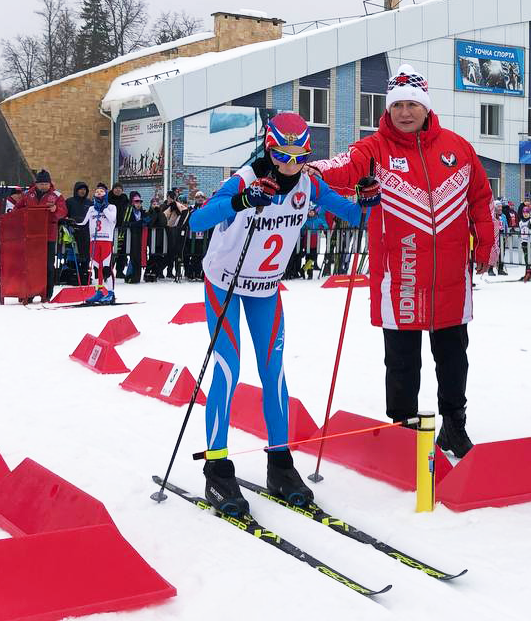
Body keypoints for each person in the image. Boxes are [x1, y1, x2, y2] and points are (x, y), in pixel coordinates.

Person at [189, 113, 377, 516]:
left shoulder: (309, 182)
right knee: (227, 368)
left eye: (299, 155)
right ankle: (217, 468)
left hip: (265, 288)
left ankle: (280, 463)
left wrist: (367, 201)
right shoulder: (245, 177)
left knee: (273, 371)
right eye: (282, 155)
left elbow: (353, 215)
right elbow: (197, 220)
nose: (291, 164)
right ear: (269, 150)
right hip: (224, 281)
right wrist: (242, 201)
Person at [313, 63, 497, 458]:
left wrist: (483, 245)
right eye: (398, 105)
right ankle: (404, 430)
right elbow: (344, 167)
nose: (405, 112)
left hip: (450, 277)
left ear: (426, 107)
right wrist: (311, 171)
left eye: (413, 104)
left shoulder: (458, 148)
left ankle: (454, 425)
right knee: (401, 362)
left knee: (453, 358)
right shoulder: (374, 148)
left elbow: (480, 200)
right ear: (388, 109)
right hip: (401, 278)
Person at [15, 170, 68, 301]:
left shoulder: (57, 195)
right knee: (32, 265)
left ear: (50, 183)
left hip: (48, 236)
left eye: (46, 183)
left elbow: (64, 211)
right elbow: (17, 208)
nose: (44, 186)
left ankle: (47, 293)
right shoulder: (28, 195)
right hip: (31, 235)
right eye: (41, 183)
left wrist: (56, 210)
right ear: (36, 184)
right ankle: (31, 292)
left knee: (48, 266)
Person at [78, 184, 118, 303]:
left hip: (106, 240)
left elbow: (112, 219)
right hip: (94, 241)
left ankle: (110, 293)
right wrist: (71, 223)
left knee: (106, 268)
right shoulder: (91, 209)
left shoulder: (111, 207)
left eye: (102, 191)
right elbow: (83, 222)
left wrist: (103, 207)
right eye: (97, 191)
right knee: (96, 268)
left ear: (105, 194)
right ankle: (99, 291)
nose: (99, 193)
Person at [0, 187, 24, 286]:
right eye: (18, 194)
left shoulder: (21, 204)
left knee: (12, 258)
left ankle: (10, 277)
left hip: (15, 235)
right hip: (1, 234)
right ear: (12, 195)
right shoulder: (2, 203)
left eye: (21, 194)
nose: (20, 196)